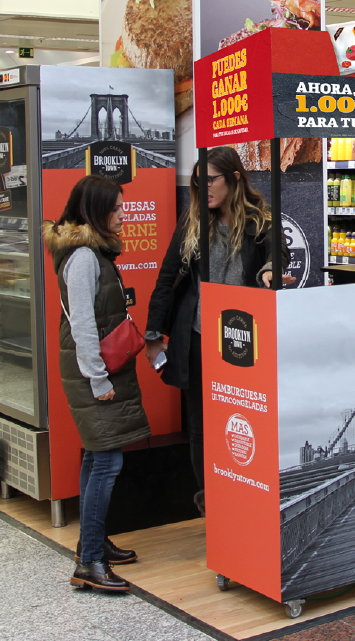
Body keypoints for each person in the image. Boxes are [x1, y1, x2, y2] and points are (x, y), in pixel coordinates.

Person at [145, 146, 280, 516]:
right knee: (201, 425)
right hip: (199, 337)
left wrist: (270, 269)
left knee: (247, 420)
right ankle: (212, 505)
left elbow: (276, 253)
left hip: (243, 341)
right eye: (197, 182)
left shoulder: (261, 220)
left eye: (211, 180)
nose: (203, 188)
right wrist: (153, 333)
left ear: (234, 178)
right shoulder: (193, 221)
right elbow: (167, 277)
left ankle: (246, 503)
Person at [45, 174, 149, 592]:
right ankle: (89, 562)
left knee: (95, 455)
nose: (123, 215)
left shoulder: (92, 252)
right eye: (116, 208)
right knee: (106, 462)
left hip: (96, 368)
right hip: (93, 371)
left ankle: (92, 542)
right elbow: (84, 325)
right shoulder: (85, 258)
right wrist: (98, 378)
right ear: (96, 211)